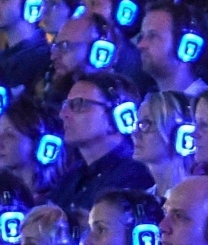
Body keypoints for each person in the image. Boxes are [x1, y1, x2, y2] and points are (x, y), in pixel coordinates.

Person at [47, 73, 153, 214]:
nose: (63, 114)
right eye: (65, 105)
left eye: (79, 104)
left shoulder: (135, 174)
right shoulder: (72, 176)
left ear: (118, 114)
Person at [134, 4, 208, 98]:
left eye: (152, 36)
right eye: (142, 36)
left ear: (185, 44)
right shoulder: (149, 101)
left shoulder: (206, 107)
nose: (140, 45)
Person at [129, 91, 194, 197]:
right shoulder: (144, 201)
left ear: (182, 132)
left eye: (146, 124)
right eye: (137, 124)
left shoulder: (197, 198)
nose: (135, 133)